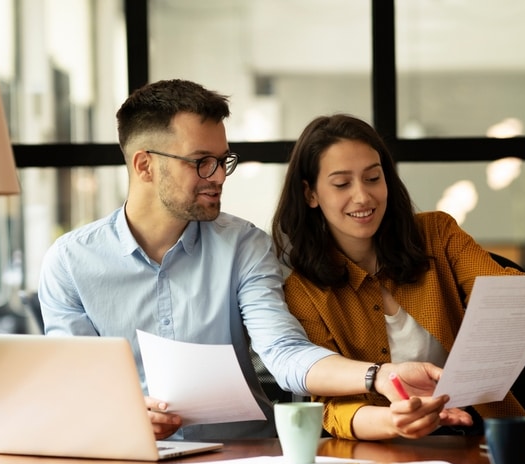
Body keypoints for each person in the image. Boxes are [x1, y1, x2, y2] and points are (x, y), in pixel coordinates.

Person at [38, 81, 456, 441]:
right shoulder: (70, 263)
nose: (219, 176)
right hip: (129, 459)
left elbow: (284, 351)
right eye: (201, 162)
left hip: (244, 461)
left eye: (222, 161)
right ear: (145, 165)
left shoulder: (243, 246)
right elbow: (77, 387)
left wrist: (378, 375)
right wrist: (126, 415)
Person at [272, 114, 525, 441]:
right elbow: (332, 406)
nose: (363, 197)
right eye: (342, 184)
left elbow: (502, 295)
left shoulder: (437, 235)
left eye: (373, 178)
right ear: (310, 194)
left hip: (482, 439)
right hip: (381, 451)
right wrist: (395, 421)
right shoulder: (303, 290)